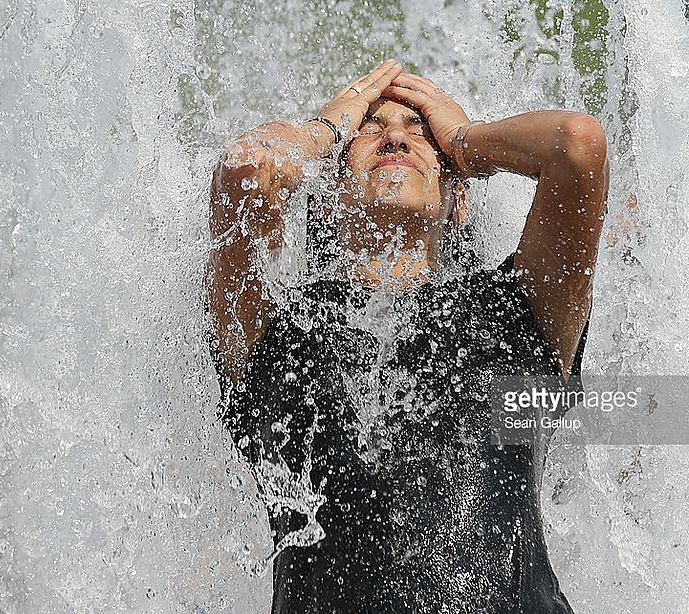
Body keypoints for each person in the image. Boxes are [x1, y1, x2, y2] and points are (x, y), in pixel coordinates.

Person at [206, 59, 608, 613]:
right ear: (328, 189)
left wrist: (468, 143)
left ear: (458, 197)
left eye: (422, 133)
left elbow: (576, 147)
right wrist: (326, 131)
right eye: (370, 128)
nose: (395, 136)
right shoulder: (281, 334)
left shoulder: (517, 314)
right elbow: (249, 170)